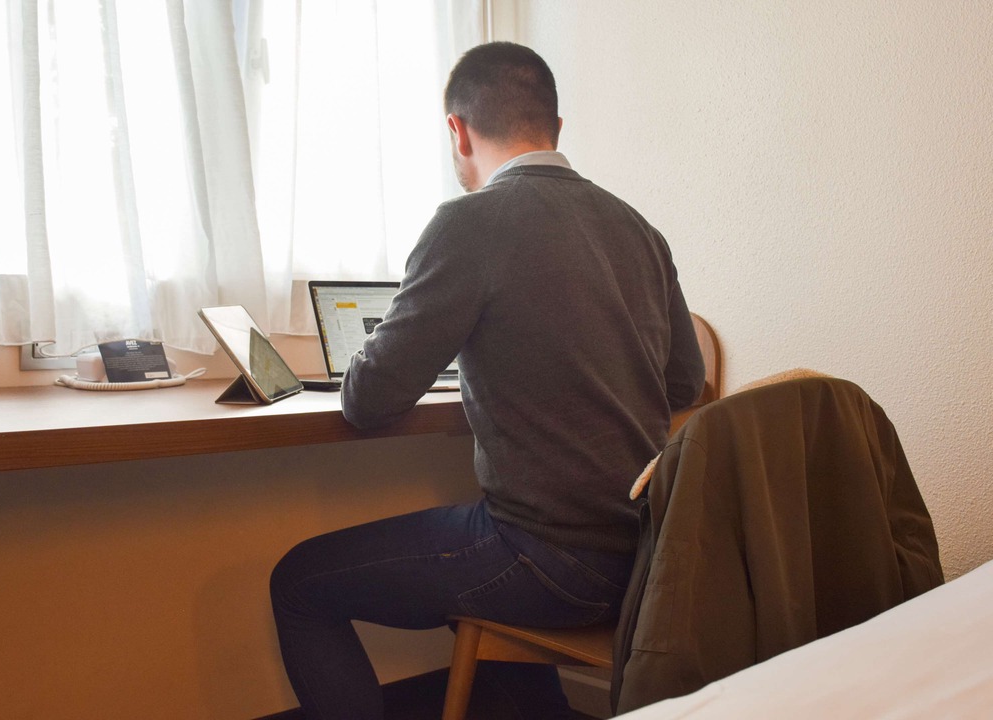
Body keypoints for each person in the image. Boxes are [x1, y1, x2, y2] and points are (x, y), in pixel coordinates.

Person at [269, 42, 705, 719]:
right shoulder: (637, 228)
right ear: (556, 129)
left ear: (457, 131)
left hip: (546, 559)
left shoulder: (469, 223)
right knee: (464, 569)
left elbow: (369, 400)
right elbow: (685, 381)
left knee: (299, 583)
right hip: (645, 555)